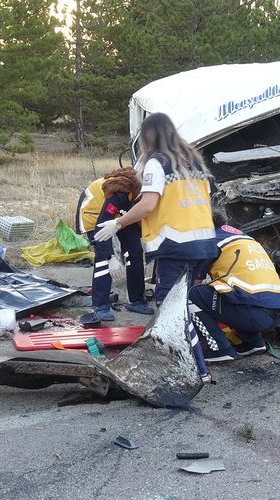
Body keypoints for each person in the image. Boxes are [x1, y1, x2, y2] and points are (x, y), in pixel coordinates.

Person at [93, 113, 218, 380]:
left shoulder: (157, 163)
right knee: (184, 305)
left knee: (171, 309)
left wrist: (118, 224)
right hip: (205, 246)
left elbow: (148, 204)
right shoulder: (195, 163)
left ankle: (197, 370)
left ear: (148, 137)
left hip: (176, 246)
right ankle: (206, 355)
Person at [189, 213, 280, 362]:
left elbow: (194, 282)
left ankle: (218, 349)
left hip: (254, 313)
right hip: (277, 311)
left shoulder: (211, 240)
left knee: (191, 296)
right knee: (232, 292)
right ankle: (253, 342)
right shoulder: (242, 237)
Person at [75, 167, 154, 321]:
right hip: (96, 214)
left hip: (121, 214)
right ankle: (100, 305)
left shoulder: (146, 192)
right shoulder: (120, 192)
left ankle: (136, 300)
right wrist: (111, 257)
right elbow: (102, 224)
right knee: (103, 260)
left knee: (135, 252)